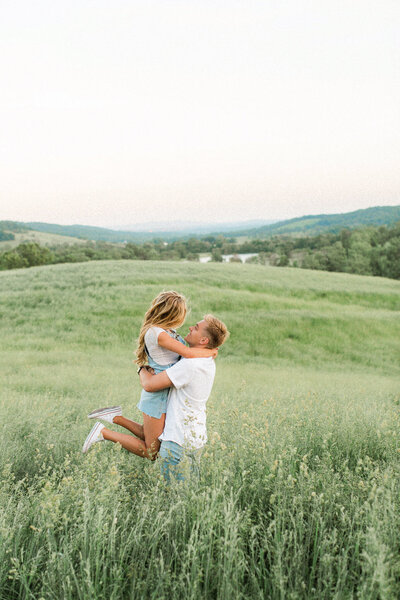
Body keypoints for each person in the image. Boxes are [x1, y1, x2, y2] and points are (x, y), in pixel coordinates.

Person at [82, 291, 217, 458]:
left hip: (163, 392)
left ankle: (115, 417)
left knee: (151, 436)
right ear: (172, 313)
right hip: (157, 395)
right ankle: (103, 432)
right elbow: (187, 353)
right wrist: (210, 352)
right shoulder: (156, 333)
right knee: (152, 451)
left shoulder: (168, 331)